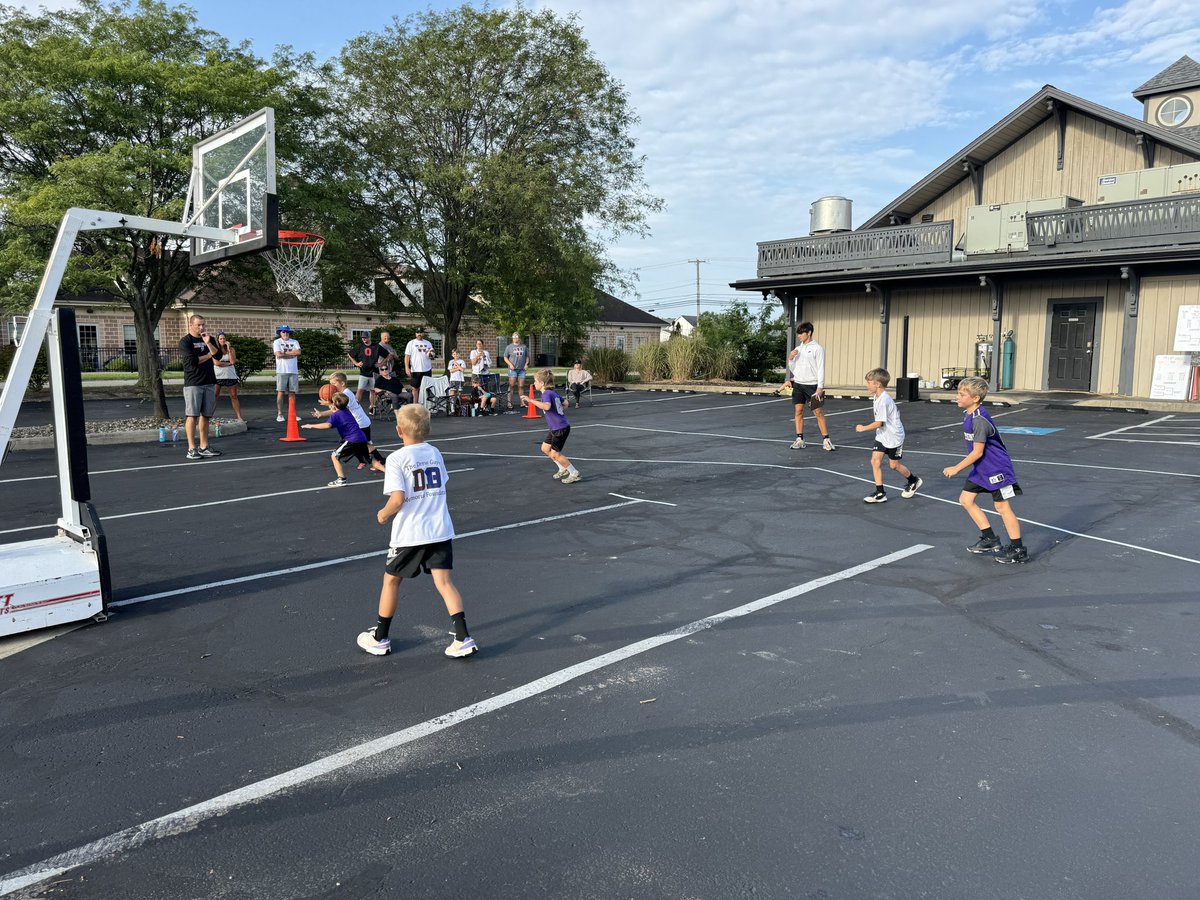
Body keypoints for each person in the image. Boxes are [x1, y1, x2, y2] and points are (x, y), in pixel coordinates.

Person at [356, 403, 478, 659]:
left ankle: (380, 637)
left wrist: (383, 514)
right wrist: (385, 469)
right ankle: (463, 637)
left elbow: (398, 498)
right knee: (445, 583)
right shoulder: (434, 452)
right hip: (439, 529)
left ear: (398, 430)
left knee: (391, 581)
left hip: (411, 532)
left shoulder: (397, 458)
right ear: (429, 429)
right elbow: (427, 479)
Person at [941, 376, 1028, 564]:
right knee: (966, 499)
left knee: (1002, 507)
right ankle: (990, 539)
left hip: (997, 469)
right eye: (958, 393)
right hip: (982, 469)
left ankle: (1018, 548)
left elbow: (978, 452)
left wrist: (956, 468)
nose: (958, 397)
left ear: (975, 399)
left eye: (962, 394)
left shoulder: (979, 420)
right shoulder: (969, 414)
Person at [854, 368, 922, 503]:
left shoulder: (884, 400)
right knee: (875, 461)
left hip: (894, 437)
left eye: (869, 383)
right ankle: (880, 493)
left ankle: (913, 480)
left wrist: (863, 428)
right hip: (882, 435)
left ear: (878, 384)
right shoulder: (876, 397)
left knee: (894, 465)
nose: (867, 385)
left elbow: (879, 423)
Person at [301, 392, 385, 486]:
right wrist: (329, 405)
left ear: (334, 404)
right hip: (361, 437)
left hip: (352, 439)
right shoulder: (347, 410)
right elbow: (336, 409)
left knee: (334, 456)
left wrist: (311, 425)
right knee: (369, 459)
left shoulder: (336, 415)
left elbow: (327, 425)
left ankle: (341, 479)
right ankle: (388, 472)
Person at [311, 372, 386, 468]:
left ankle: (378, 461)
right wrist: (322, 413)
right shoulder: (343, 394)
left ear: (342, 383)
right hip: (361, 422)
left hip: (360, 423)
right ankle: (375, 461)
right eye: (331, 384)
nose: (332, 386)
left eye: (334, 384)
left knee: (357, 444)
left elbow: (337, 410)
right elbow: (336, 410)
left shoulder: (346, 395)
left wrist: (327, 405)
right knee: (364, 445)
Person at [520, 368, 580, 483]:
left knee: (555, 454)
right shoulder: (552, 393)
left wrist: (530, 400)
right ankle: (562, 468)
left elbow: (546, 407)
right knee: (545, 448)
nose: (534, 383)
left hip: (560, 428)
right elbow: (566, 403)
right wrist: (558, 410)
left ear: (542, 383)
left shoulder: (546, 394)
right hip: (557, 427)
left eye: (535, 381)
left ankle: (573, 472)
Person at [782, 321, 835, 451]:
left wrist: (820, 387)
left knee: (818, 412)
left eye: (801, 333)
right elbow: (794, 369)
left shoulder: (818, 348)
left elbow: (821, 368)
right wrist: (790, 359)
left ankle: (826, 440)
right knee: (798, 412)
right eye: (798, 333)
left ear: (809, 333)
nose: (799, 335)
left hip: (812, 385)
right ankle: (800, 439)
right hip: (799, 385)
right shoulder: (798, 349)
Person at [178, 314, 223, 460]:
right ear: (191, 325)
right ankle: (192, 448)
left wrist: (208, 344)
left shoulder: (209, 339)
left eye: (203, 324)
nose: (201, 327)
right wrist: (209, 355)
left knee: (206, 416)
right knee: (192, 416)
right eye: (198, 325)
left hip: (209, 381)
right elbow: (191, 362)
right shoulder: (186, 341)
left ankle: (204, 447)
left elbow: (219, 356)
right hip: (193, 383)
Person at [348, 332, 390, 408]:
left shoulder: (376, 346)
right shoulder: (359, 347)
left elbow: (388, 355)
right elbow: (350, 355)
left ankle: (372, 407)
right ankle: (354, 407)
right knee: (360, 390)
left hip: (374, 372)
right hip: (363, 373)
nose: (364, 339)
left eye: (365, 337)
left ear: (370, 337)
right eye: (362, 337)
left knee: (373, 391)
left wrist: (381, 364)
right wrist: (356, 363)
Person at [212, 332, 244, 422]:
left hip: (230, 375)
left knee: (234, 396)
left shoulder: (231, 349)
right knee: (215, 395)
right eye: (221, 339)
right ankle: (209, 416)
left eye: (224, 339)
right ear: (218, 340)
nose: (223, 340)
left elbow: (233, 361)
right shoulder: (215, 350)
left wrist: (229, 349)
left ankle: (239, 416)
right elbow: (216, 363)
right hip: (218, 376)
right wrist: (228, 363)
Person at [273, 325, 301, 423]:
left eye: (287, 332)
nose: (285, 333)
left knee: (292, 393)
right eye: (283, 332)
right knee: (280, 392)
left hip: (293, 371)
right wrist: (291, 353)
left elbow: (298, 352)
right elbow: (278, 354)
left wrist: (285, 354)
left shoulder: (294, 342)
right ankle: (280, 414)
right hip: (282, 370)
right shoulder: (277, 342)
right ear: (280, 333)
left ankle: (292, 414)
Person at [404, 327, 435, 398]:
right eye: (418, 332)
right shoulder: (411, 343)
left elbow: (432, 356)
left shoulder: (428, 343)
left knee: (427, 388)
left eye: (420, 332)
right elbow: (407, 356)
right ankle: (415, 405)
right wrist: (406, 367)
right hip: (415, 369)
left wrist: (431, 355)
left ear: (423, 333)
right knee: (415, 388)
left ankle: (425, 405)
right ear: (415, 334)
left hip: (427, 369)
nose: (419, 334)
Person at [503, 331, 529, 409]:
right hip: (513, 370)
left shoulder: (524, 347)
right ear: (512, 338)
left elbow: (527, 356)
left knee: (521, 386)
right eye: (513, 337)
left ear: (519, 338)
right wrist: (510, 364)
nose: (515, 338)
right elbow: (505, 357)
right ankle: (509, 403)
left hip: (522, 370)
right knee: (512, 386)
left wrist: (526, 364)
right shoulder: (509, 347)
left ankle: (522, 403)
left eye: (516, 336)